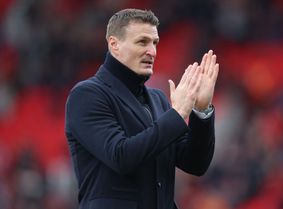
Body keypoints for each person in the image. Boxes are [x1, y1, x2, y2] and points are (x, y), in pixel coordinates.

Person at [65, 8, 219, 209]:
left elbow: (195, 164)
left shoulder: (157, 99)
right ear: (114, 45)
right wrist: (178, 114)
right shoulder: (87, 95)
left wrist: (201, 109)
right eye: (142, 42)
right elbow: (121, 156)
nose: (152, 51)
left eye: (155, 43)